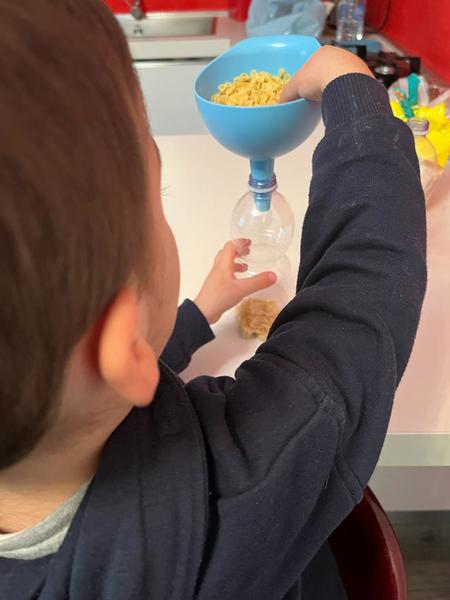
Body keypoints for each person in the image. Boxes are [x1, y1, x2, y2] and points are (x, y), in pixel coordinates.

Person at [0, 1, 426, 598]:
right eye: (158, 193)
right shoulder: (250, 472)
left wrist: (196, 315)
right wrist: (355, 97)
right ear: (122, 349)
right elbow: (364, 290)